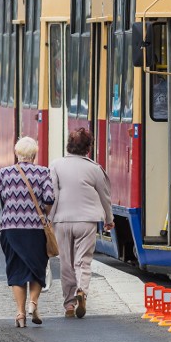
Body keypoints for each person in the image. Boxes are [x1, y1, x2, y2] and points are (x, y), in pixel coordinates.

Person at [0, 137, 54, 328]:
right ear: (34, 154)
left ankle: (20, 313)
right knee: (36, 268)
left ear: (17, 153)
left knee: (16, 270)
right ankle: (33, 303)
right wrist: (44, 214)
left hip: (11, 230)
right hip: (35, 230)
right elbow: (49, 198)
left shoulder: (4, 173)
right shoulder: (43, 173)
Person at [48, 128, 114, 319]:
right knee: (83, 261)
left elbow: (53, 194)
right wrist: (109, 220)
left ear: (69, 145)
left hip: (62, 220)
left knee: (66, 263)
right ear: (88, 148)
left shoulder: (56, 165)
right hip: (87, 220)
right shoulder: (95, 168)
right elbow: (105, 197)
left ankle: (69, 305)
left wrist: (50, 220)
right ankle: (82, 291)